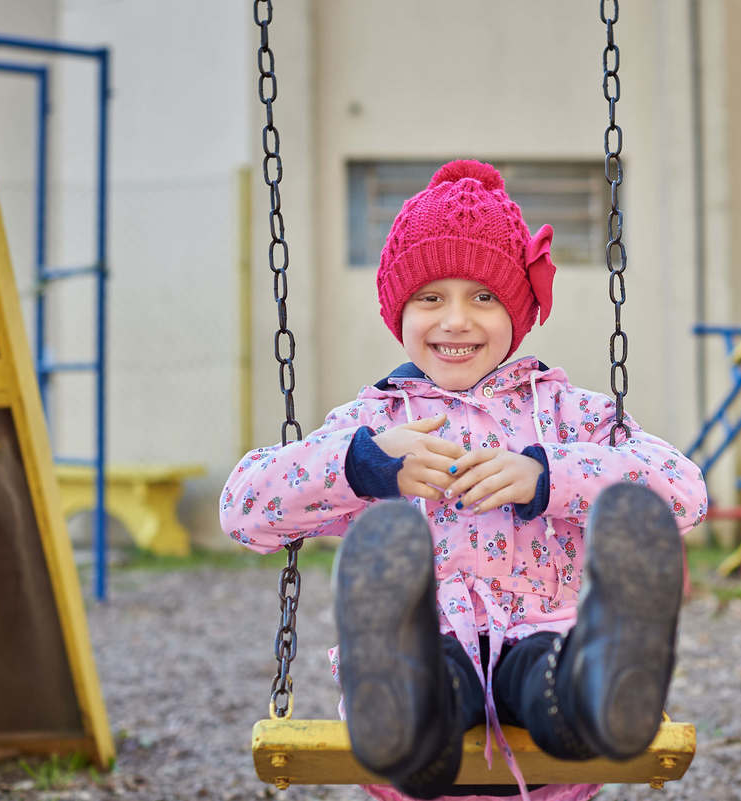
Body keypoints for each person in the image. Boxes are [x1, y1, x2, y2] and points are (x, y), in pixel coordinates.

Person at [219, 159, 707, 801]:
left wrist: (548, 473)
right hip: (428, 644)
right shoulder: (374, 422)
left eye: (484, 296)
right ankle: (397, 700)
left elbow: (683, 493)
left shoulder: (569, 416)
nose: (455, 320)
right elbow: (243, 509)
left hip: (544, 637)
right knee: (427, 692)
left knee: (553, 682)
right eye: (430, 298)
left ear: (521, 309)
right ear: (399, 312)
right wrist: (361, 466)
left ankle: (609, 682)